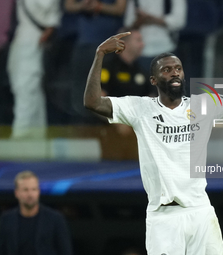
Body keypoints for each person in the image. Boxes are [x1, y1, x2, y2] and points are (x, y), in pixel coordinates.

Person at [83, 30, 223, 254]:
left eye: (178, 69)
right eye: (166, 69)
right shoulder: (140, 108)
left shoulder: (205, 105)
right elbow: (92, 102)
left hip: (200, 211)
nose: (174, 73)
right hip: (163, 218)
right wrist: (99, 55)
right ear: (153, 80)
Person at [65, 0, 127, 123]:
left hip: (109, 44)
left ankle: (107, 126)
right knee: (81, 90)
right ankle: (82, 125)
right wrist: (83, 5)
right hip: (84, 44)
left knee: (107, 88)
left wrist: (99, 6)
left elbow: (120, 8)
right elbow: (68, 6)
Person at [7, 0, 61, 139]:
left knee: (27, 87)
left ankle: (21, 135)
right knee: (26, 88)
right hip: (23, 35)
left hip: (33, 37)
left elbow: (48, 8)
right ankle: (36, 135)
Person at [0, 171, 73, 255]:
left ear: (38, 191)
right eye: (25, 190)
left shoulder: (55, 219)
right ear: (17, 193)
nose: (30, 194)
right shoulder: (6, 220)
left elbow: (65, 251)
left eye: (34, 189)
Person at [124, 0, 187, 72]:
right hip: (142, 50)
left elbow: (179, 22)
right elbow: (128, 24)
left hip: (167, 48)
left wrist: (153, 19)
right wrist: (139, 20)